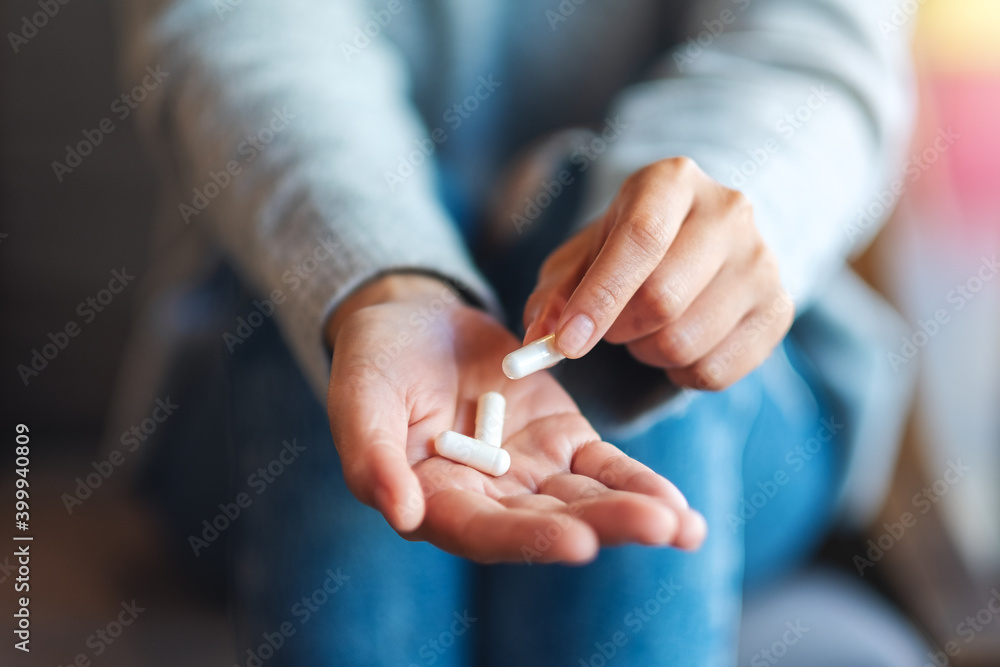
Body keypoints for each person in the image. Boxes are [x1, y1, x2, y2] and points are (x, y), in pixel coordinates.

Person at [112, 0, 915, 664]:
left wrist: (689, 236)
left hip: (754, 427)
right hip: (244, 421)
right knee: (350, 314)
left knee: (635, 289)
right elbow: (243, 28)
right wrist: (385, 275)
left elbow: (815, 46)